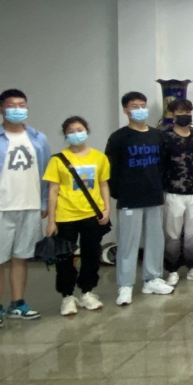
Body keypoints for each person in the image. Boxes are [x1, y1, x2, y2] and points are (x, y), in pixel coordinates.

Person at [0, 89, 50, 329]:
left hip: (29, 207)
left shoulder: (38, 139)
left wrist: (44, 202)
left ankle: (18, 303)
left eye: (21, 105)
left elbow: (46, 173)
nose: (17, 109)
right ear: (0, 109)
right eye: (11, 105)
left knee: (21, 258)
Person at [105, 91, 174, 307]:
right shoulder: (118, 138)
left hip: (154, 195)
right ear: (126, 110)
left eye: (143, 105)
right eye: (135, 106)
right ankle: (125, 285)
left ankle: (152, 279)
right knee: (128, 242)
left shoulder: (158, 136)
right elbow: (110, 169)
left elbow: (164, 165)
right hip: (129, 197)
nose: (140, 109)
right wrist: (118, 192)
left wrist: (160, 186)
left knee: (155, 240)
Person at [43, 116, 110, 317]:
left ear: (87, 131)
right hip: (66, 216)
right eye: (70, 131)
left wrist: (106, 209)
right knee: (65, 257)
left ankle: (87, 291)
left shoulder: (99, 157)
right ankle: (67, 296)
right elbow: (53, 191)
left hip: (92, 214)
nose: (76, 134)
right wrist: (51, 221)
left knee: (91, 254)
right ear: (65, 135)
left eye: (79, 130)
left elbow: (103, 185)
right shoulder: (57, 160)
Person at [161, 99, 193, 285]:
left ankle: (192, 267)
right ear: (173, 114)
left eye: (188, 112)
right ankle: (172, 269)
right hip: (173, 192)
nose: (185, 115)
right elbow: (161, 165)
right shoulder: (165, 137)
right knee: (172, 235)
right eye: (181, 112)